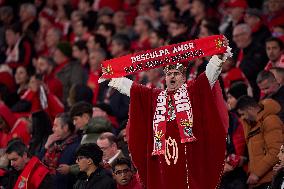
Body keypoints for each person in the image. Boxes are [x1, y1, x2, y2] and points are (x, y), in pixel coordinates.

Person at [106, 44, 232, 188]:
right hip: (163, 159)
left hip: (190, 156)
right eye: (169, 73)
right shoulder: (156, 96)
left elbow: (208, 78)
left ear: (183, 76)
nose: (172, 76)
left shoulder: (192, 91)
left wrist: (217, 58)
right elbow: (135, 90)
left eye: (176, 73)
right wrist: (114, 76)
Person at [236, 96, 284, 189]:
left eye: (243, 114)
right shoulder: (252, 126)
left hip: (272, 180)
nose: (242, 118)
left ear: (250, 109)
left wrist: (257, 173)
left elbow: (276, 151)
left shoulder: (270, 120)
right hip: (260, 182)